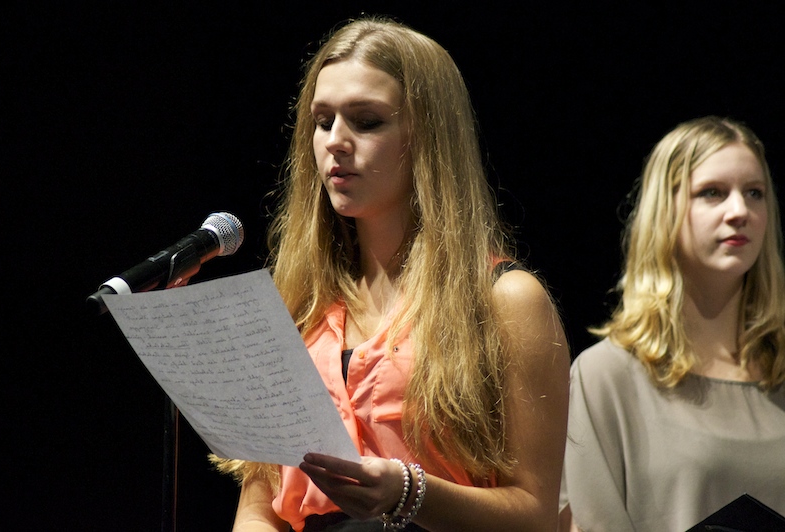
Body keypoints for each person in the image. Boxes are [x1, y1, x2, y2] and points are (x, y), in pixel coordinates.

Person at [211, 16, 570, 532]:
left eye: (367, 121)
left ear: (427, 137)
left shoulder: (507, 300)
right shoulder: (299, 304)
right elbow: (259, 500)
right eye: (323, 121)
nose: (336, 141)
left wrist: (409, 492)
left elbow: (535, 517)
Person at [558, 116, 785, 531]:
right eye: (712, 193)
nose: (740, 211)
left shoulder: (780, 368)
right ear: (665, 211)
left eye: (755, 193)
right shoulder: (606, 377)